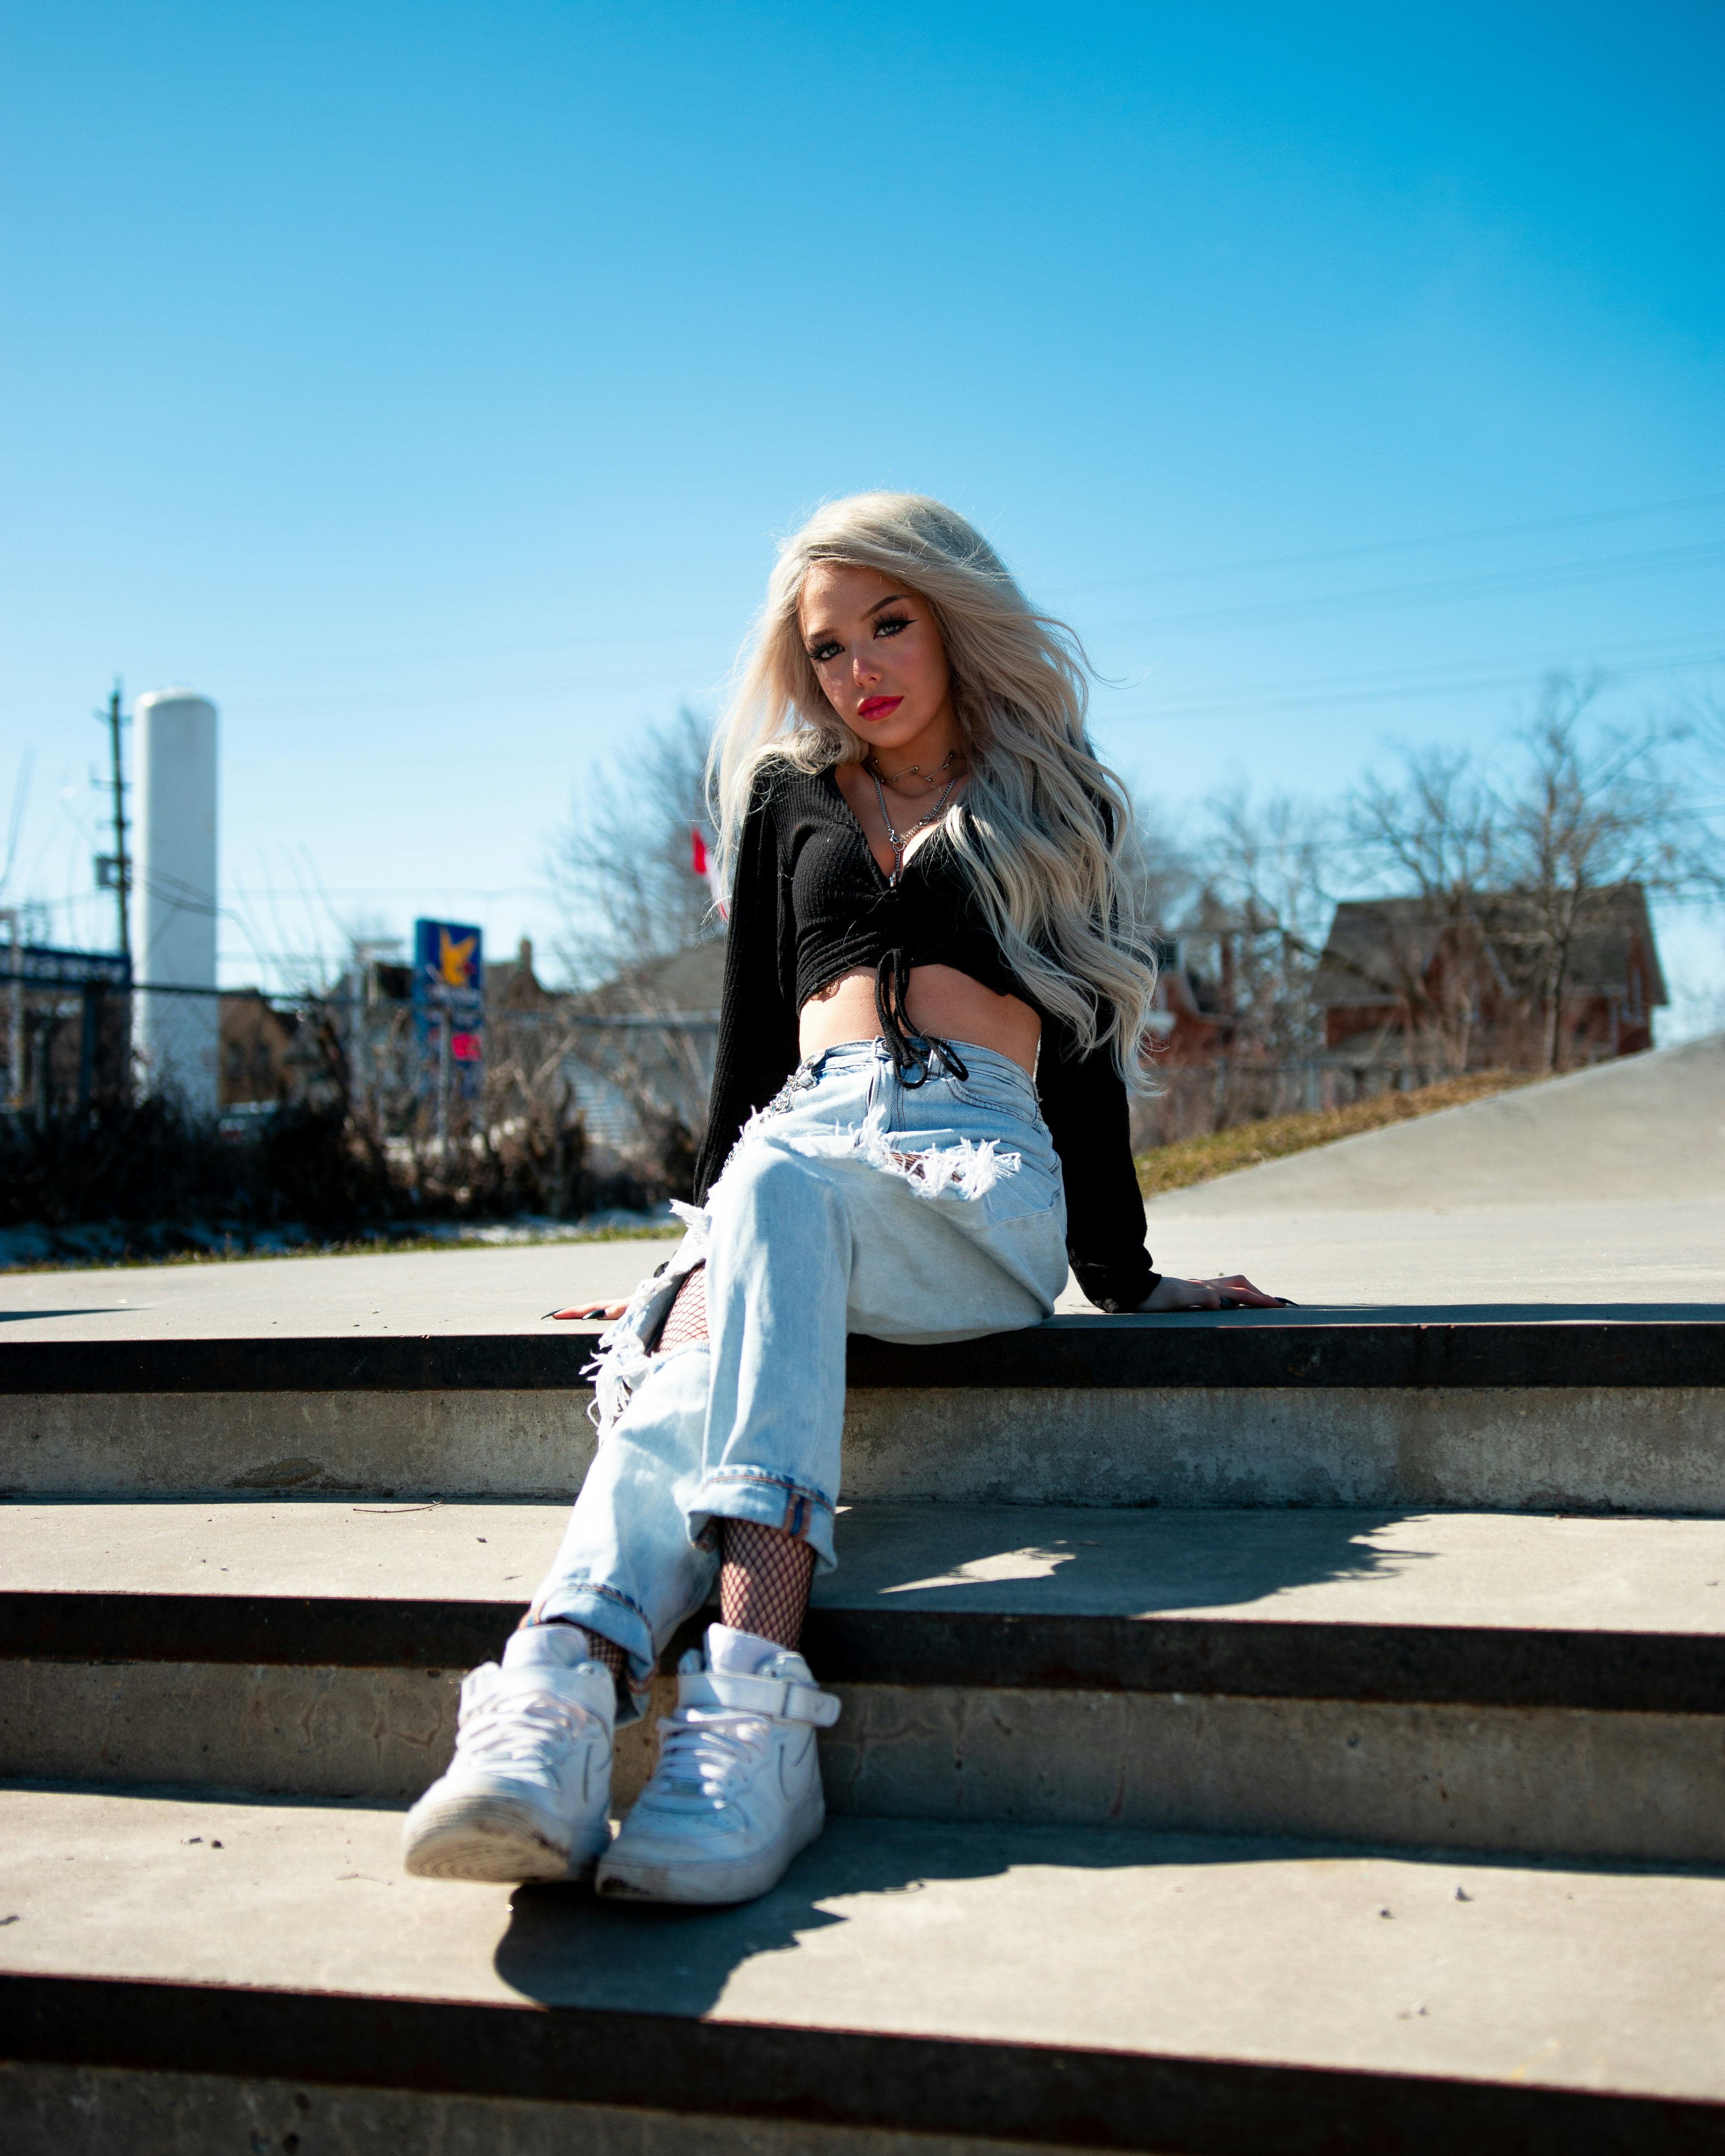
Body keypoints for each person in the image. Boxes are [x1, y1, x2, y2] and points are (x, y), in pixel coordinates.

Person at [401, 493, 1282, 1905]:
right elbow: (750, 1056)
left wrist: (1125, 1276)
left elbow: (1093, 1053)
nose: (858, 668)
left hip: (972, 1180)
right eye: (825, 649)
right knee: (748, 1240)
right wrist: (687, 1258)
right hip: (798, 1152)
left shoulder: (1060, 801)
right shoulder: (784, 807)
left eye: (889, 625)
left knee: (780, 1194)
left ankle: (749, 1705)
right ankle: (559, 1692)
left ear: (949, 620)